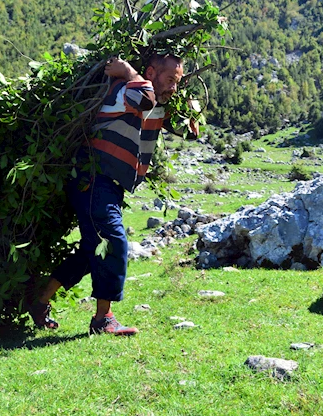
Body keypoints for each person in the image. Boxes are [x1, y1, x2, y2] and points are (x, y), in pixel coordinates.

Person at [29, 53, 198, 336]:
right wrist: (129, 72)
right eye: (170, 80)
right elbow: (144, 98)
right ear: (151, 72)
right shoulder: (126, 90)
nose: (173, 88)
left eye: (177, 83)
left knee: (91, 250)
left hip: (108, 184)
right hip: (93, 178)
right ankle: (103, 320)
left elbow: (186, 130)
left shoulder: (156, 104)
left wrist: (192, 115)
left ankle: (39, 299)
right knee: (114, 242)